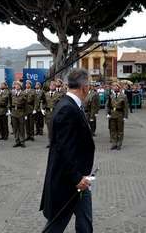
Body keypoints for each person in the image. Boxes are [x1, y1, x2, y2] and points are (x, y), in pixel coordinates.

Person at [40, 68, 95, 233]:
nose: (90, 89)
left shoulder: (70, 104)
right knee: (56, 225)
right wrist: (77, 178)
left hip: (80, 177)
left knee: (85, 221)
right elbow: (64, 150)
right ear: (84, 87)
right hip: (70, 181)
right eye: (89, 86)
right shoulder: (67, 108)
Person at [106, 82, 129, 150]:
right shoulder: (111, 96)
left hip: (120, 115)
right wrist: (107, 113)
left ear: (119, 88)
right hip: (112, 114)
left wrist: (125, 116)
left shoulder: (123, 96)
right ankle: (114, 143)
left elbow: (126, 107)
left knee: (120, 130)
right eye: (114, 86)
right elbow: (108, 105)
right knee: (113, 130)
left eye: (117, 86)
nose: (115, 87)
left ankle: (119, 143)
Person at [43, 81, 61, 148]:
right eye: (51, 85)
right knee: (49, 129)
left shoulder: (58, 94)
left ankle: (56, 142)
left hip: (55, 113)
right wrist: (43, 108)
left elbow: (60, 104)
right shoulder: (46, 94)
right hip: (48, 113)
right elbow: (44, 102)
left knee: (56, 128)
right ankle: (50, 142)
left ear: (55, 86)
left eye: (53, 85)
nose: (52, 86)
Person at [11, 81, 28, 148]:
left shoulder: (23, 93)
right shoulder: (12, 93)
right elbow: (10, 101)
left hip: (21, 112)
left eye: (18, 85)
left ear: (20, 86)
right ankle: (17, 141)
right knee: (15, 128)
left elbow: (26, 105)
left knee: (21, 128)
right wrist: (10, 110)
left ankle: (22, 141)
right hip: (14, 112)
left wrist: (26, 114)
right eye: (15, 85)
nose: (16, 86)